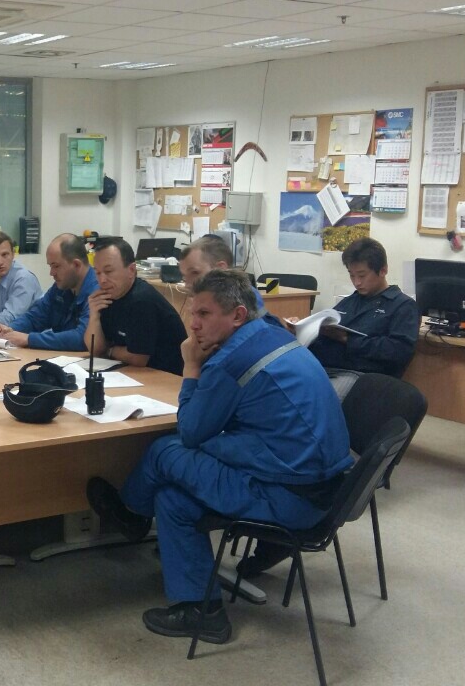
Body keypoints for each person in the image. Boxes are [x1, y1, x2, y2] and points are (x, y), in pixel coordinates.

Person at [87, 269, 351, 644]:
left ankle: (130, 514)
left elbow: (191, 430)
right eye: (193, 312)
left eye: (204, 314)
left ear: (238, 315)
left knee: (165, 450)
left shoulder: (232, 361)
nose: (193, 325)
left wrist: (191, 366)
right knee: (172, 499)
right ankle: (202, 610)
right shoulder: (274, 334)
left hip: (289, 497)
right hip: (324, 489)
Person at [305, 237, 419, 378]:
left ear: (383, 270)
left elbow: (398, 351)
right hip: (323, 366)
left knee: (315, 390)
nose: (356, 282)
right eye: (352, 275)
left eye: (362, 275)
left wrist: (348, 339)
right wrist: (303, 329)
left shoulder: (403, 306)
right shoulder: (350, 301)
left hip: (361, 375)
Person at [84, 237, 186, 375]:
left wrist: (108, 350)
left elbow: (138, 358)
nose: (102, 280)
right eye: (97, 272)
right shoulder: (109, 295)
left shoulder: (141, 300)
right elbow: (95, 349)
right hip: (132, 372)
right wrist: (94, 316)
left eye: (108, 271)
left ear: (131, 270)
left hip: (165, 376)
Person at [0, 233, 98, 351]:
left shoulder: (97, 291)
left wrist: (29, 339)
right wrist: (9, 329)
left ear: (76, 265)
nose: (51, 273)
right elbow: (35, 317)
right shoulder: (61, 287)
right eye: (50, 266)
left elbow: (82, 338)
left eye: (56, 266)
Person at [178, 234, 284, 329]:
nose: (187, 285)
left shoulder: (243, 297)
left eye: (195, 273)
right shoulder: (212, 298)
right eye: (184, 276)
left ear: (220, 269)